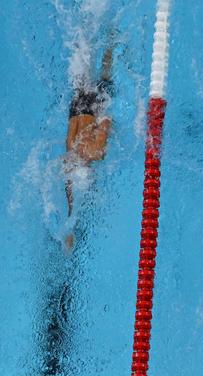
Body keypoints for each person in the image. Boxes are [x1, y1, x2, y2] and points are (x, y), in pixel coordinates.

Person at [63, 44, 114, 248]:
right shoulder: (70, 154)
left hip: (94, 107)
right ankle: (83, 41)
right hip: (76, 109)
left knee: (105, 76)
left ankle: (110, 42)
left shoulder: (96, 153)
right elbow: (71, 204)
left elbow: (106, 121)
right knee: (82, 72)